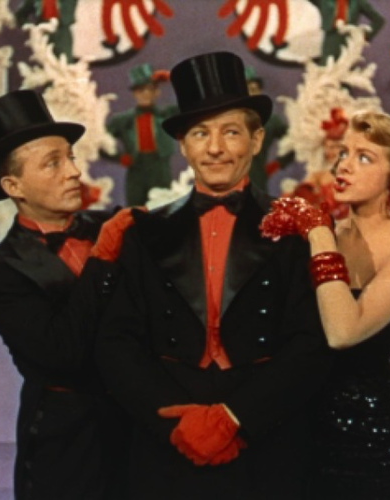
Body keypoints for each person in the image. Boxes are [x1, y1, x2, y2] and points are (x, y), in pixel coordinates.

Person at [96, 51, 330, 499]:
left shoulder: (297, 230)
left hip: (264, 433)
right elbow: (117, 343)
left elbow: (310, 344)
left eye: (231, 132)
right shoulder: (143, 232)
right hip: (169, 435)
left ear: (257, 140)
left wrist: (237, 418)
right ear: (182, 145)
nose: (215, 148)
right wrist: (177, 422)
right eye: (200, 133)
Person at [260, 111, 390, 499]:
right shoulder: (319, 234)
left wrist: (319, 238)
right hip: (295, 415)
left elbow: (343, 332)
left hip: (366, 427)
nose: (344, 165)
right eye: (344, 153)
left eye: (364, 157)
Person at [0, 89, 130, 499]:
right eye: (53, 163)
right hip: (67, 445)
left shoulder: (111, 226)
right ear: (13, 185)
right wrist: (104, 258)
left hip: (139, 430)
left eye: (70, 157)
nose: (74, 171)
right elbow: (63, 353)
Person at [105, 63, 178, 206]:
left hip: (159, 168)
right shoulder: (123, 120)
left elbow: (190, 103)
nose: (145, 94)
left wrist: (174, 78)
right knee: (135, 210)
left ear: (157, 92)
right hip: (136, 169)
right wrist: (119, 157)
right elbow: (98, 141)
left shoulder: (166, 115)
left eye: (150, 89)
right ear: (134, 93)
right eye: (140, 90)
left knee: (163, 207)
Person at [245, 65, 294, 194]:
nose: (250, 94)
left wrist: (278, 164)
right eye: (246, 90)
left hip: (257, 182)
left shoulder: (271, 121)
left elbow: (296, 141)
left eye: (254, 89)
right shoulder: (227, 121)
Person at [309, 0, 385, 66]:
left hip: (348, 42)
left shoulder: (357, 2)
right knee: (326, 69)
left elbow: (379, 20)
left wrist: (363, 36)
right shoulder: (325, 1)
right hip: (330, 41)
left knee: (344, 70)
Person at [15, 0, 79, 62]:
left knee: (63, 63)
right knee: (41, 63)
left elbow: (68, 17)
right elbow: (20, 15)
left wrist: (54, 20)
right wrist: (29, 26)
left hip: (61, 38)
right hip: (41, 37)